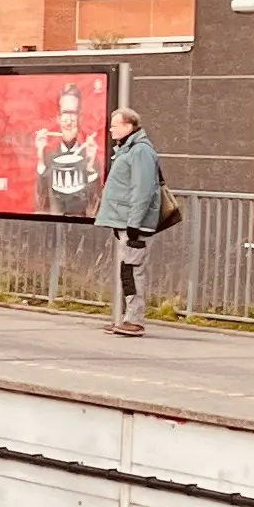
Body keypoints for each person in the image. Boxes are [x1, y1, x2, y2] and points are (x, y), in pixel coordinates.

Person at [95, 103, 166, 338]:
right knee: (128, 270)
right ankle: (128, 318)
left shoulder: (140, 151)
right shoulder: (128, 149)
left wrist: (134, 223)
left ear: (128, 126)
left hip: (135, 224)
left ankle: (134, 320)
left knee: (132, 271)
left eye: (114, 126)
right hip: (127, 222)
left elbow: (142, 189)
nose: (110, 130)